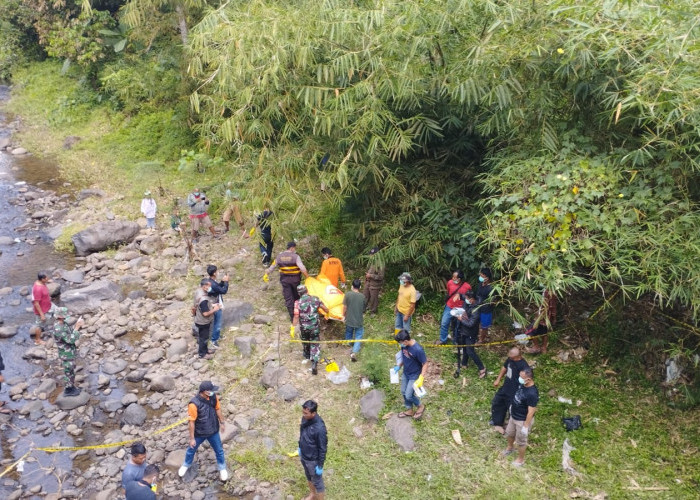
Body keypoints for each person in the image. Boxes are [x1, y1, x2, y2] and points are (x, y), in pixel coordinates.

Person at [179, 381, 228, 481]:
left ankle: (222, 468)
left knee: (219, 450)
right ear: (205, 392)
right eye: (211, 390)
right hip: (199, 433)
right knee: (191, 450)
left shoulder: (214, 397)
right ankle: (186, 464)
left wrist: (222, 422)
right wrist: (192, 438)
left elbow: (218, 409)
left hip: (213, 430)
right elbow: (191, 422)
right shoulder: (193, 404)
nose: (213, 392)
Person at [502, 367, 539, 467]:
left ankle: (520, 460)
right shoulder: (523, 384)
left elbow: (531, 411)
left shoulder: (532, 393)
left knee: (521, 441)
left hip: (521, 420)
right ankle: (510, 448)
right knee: (510, 433)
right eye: (520, 376)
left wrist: (525, 426)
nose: (519, 378)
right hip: (513, 416)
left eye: (522, 377)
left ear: (529, 379)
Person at [490, 347, 530, 434]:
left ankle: (512, 428)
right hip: (506, 387)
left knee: (512, 409)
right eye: (510, 357)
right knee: (497, 402)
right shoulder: (510, 359)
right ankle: (498, 423)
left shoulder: (524, 366)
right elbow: (505, 368)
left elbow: (527, 381)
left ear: (518, 356)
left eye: (512, 358)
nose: (510, 359)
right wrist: (498, 379)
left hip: (515, 391)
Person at [266, 241, 309, 320]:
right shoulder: (295, 256)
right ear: (292, 248)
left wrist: (267, 273)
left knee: (288, 298)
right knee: (296, 296)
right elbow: (302, 268)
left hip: (285, 280)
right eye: (294, 248)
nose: (295, 250)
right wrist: (307, 277)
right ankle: (299, 314)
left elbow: (272, 267)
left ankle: (292, 317)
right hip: (295, 280)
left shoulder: (279, 257)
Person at [292, 285, 328, 375]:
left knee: (305, 341)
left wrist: (293, 327)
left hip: (304, 327)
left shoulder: (297, 302)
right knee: (315, 342)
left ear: (299, 293)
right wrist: (326, 313)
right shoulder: (315, 299)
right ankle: (314, 363)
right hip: (314, 326)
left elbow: (296, 315)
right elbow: (325, 309)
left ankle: (307, 355)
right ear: (307, 291)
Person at [393, 329, 428, 420]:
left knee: (409, 395)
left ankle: (420, 406)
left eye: (400, 343)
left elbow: (425, 364)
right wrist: (399, 366)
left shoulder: (418, 349)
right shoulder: (404, 345)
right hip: (406, 372)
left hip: (414, 375)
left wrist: (421, 377)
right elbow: (404, 357)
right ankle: (409, 409)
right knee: (403, 392)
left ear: (405, 341)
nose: (400, 344)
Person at [298, 400, 328, 500]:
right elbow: (302, 432)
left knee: (318, 482)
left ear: (313, 413)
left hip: (313, 460)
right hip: (304, 455)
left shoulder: (320, 428)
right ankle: (312, 494)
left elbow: (322, 448)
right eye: (303, 412)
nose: (303, 415)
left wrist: (320, 465)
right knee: (308, 477)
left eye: (306, 413)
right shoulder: (305, 418)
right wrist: (300, 446)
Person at [52, 307, 84, 396]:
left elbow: (68, 334)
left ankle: (71, 386)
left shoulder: (62, 324)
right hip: (66, 353)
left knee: (70, 370)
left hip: (69, 351)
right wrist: (77, 327)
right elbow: (70, 340)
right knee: (69, 371)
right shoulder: (59, 328)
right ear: (61, 317)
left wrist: (76, 328)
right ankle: (68, 390)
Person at [454, 290, 486, 379]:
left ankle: (482, 368)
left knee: (470, 351)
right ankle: (464, 363)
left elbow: (471, 324)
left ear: (472, 299)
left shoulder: (476, 310)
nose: (466, 300)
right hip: (464, 330)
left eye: (467, 299)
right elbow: (463, 296)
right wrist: (459, 295)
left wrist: (461, 319)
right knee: (464, 347)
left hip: (471, 332)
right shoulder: (468, 302)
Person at [438, 270, 471, 345]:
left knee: (458, 326)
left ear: (459, 279)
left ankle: (456, 341)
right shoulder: (449, 283)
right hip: (449, 306)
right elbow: (449, 292)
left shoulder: (467, 286)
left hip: (460, 309)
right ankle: (443, 340)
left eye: (454, 277)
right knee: (444, 323)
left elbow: (469, 297)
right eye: (452, 277)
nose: (453, 278)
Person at [193, 279, 222, 359]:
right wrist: (214, 309)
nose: (210, 287)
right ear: (204, 286)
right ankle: (202, 354)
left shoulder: (199, 291)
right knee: (203, 338)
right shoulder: (203, 300)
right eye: (209, 286)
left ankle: (205, 350)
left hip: (199, 318)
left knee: (204, 337)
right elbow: (205, 313)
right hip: (203, 321)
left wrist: (211, 305)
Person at [206, 265, 229, 348]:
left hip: (212, 303)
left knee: (217, 322)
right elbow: (223, 291)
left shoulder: (210, 281)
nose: (218, 272)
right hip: (215, 305)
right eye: (217, 271)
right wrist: (226, 282)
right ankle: (214, 340)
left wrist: (222, 282)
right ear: (214, 273)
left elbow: (217, 288)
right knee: (217, 323)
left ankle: (217, 335)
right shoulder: (213, 284)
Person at [527, 289, 557, 354]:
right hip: (541, 316)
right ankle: (543, 348)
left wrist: (553, 317)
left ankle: (538, 347)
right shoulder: (545, 291)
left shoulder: (550, 292)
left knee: (532, 331)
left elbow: (553, 306)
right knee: (543, 332)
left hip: (544, 316)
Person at [30, 272, 56, 345]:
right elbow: (36, 303)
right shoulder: (38, 289)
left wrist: (48, 281)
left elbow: (44, 281)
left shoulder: (40, 282)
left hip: (49, 305)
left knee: (59, 312)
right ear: (42, 279)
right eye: (46, 278)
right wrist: (41, 315)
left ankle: (58, 328)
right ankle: (37, 340)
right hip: (42, 310)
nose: (47, 279)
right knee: (39, 326)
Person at [342, 279, 365, 362]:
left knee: (349, 332)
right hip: (359, 320)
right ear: (360, 287)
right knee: (358, 336)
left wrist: (343, 316)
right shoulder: (362, 297)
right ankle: (354, 352)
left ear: (352, 286)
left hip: (349, 320)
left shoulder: (347, 294)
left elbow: (344, 307)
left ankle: (348, 346)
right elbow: (363, 310)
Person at [363, 247, 384, 314]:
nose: (370, 256)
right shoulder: (371, 262)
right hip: (368, 282)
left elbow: (381, 277)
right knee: (365, 296)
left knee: (374, 299)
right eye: (370, 254)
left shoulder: (381, 264)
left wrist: (371, 276)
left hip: (375, 284)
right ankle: (363, 309)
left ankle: (373, 312)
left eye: (372, 255)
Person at [476, 267, 495, 343]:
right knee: (477, 323)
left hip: (486, 309)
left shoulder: (491, 288)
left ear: (487, 277)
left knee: (484, 326)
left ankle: (481, 340)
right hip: (478, 307)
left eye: (482, 276)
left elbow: (493, 301)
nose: (480, 277)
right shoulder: (481, 284)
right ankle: (479, 336)